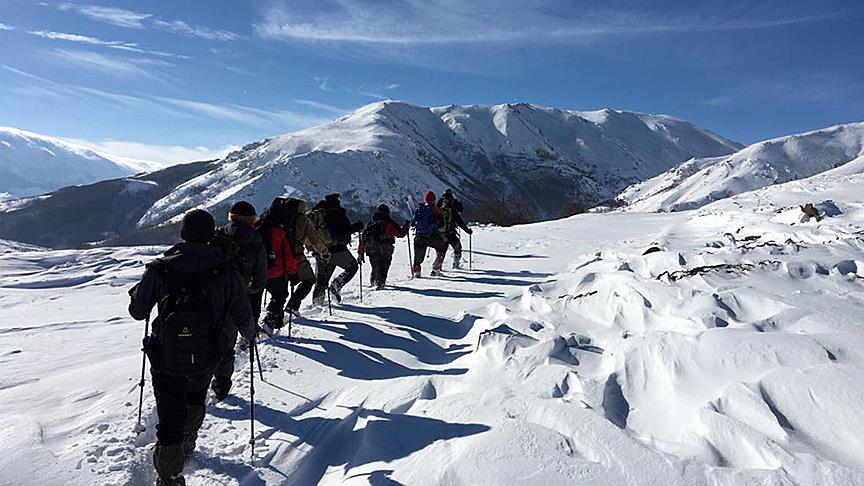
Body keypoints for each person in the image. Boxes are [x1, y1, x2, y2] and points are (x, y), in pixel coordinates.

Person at [128, 209, 256, 486]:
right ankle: (186, 443)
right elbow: (242, 313)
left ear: (182, 233)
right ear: (211, 234)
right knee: (196, 396)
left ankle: (169, 473)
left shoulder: (160, 267)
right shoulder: (225, 268)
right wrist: (250, 334)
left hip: (166, 354)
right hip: (209, 351)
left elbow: (138, 311)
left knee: (170, 410)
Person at [209, 201, 267, 402]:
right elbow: (260, 279)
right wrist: (245, 291)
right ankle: (221, 386)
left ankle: (198, 380)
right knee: (226, 344)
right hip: (235, 299)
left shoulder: (217, 234)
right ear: (251, 219)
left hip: (207, 295)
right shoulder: (255, 239)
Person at [310, 193, 364, 304]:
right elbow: (341, 233)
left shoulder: (318, 214)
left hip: (319, 251)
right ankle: (336, 285)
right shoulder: (336, 213)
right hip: (336, 250)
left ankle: (317, 304)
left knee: (321, 281)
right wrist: (356, 227)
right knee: (352, 267)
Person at [255, 198, 300, 331]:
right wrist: (293, 273)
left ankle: (274, 323)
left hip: (256, 270)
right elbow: (288, 255)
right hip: (275, 270)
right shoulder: (280, 231)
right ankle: (269, 321)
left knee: (256, 298)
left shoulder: (258, 226)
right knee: (279, 295)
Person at [285, 198, 330, 317]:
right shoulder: (303, 220)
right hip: (296, 257)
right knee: (308, 280)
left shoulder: (279, 218)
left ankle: (274, 316)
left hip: (278, 257)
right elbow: (314, 239)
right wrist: (324, 252)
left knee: (280, 288)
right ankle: (292, 305)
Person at [359, 204, 409, 290]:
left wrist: (361, 252)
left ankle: (373, 281)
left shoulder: (371, 223)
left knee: (375, 266)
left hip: (371, 248)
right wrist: (406, 226)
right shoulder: (389, 222)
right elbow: (400, 234)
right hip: (385, 248)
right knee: (384, 266)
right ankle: (380, 284)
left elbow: (363, 238)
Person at [411, 191, 449, 277]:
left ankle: (416, 271)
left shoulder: (419, 209)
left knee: (418, 256)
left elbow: (413, 223)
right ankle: (435, 269)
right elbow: (441, 224)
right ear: (433, 200)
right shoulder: (435, 210)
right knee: (442, 248)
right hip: (432, 237)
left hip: (419, 237)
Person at [437, 189, 473, 269]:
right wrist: (468, 230)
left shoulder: (440, 203)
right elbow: (460, 221)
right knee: (457, 247)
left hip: (440, 234)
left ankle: (437, 267)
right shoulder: (453, 207)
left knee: (441, 251)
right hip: (450, 233)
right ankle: (456, 265)